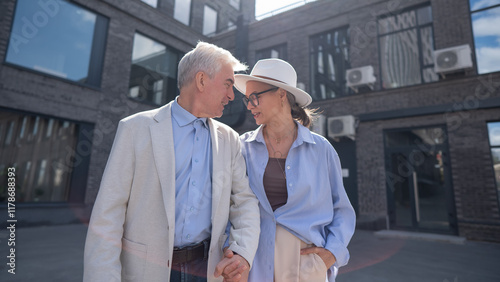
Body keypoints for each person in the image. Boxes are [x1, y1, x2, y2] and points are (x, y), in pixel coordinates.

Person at [84, 42, 260, 282]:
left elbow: (244, 202)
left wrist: (242, 251)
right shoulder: (135, 129)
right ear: (201, 81)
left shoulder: (229, 138)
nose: (231, 96)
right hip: (147, 272)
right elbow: (108, 216)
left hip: (207, 271)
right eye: (228, 84)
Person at [234, 58, 356, 282]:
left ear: (281, 94)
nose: (249, 105)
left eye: (255, 97)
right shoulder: (242, 147)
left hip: (306, 265)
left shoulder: (321, 149)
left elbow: (342, 210)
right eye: (247, 99)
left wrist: (332, 254)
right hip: (254, 263)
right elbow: (233, 206)